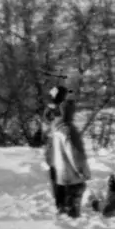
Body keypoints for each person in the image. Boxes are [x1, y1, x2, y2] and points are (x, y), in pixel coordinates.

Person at [46, 98, 92, 218]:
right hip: (72, 176)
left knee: (64, 208)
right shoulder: (68, 130)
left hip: (61, 175)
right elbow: (74, 153)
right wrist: (81, 171)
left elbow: (49, 154)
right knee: (73, 211)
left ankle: (64, 226)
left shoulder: (55, 129)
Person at [42, 85, 68, 214]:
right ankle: (61, 204)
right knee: (57, 176)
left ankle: (62, 203)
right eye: (62, 95)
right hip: (55, 148)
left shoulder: (56, 109)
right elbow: (51, 127)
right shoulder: (53, 110)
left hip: (57, 148)